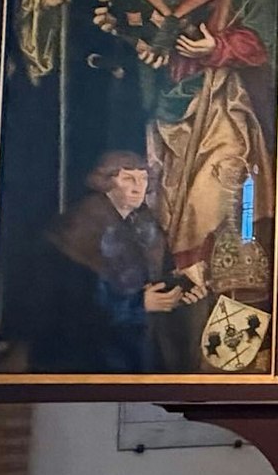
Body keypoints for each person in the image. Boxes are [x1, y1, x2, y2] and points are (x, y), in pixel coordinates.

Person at [0, 0, 156, 358]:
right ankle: (33, 315)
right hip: (50, 103)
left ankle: (103, 311)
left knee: (105, 206)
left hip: (111, 103)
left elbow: (146, 28)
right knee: (42, 199)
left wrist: (128, 30)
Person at [144, 0, 278, 310]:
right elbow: (162, 38)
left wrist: (218, 47)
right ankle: (189, 283)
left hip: (224, 98)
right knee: (174, 198)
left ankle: (231, 281)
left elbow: (270, 35)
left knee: (224, 180)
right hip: (178, 104)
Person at [34, 150, 201, 373]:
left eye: (143, 178)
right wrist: (138, 306)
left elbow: (158, 276)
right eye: (128, 178)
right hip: (91, 356)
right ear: (106, 182)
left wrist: (181, 290)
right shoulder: (81, 226)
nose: (137, 186)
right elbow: (70, 305)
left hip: (137, 347)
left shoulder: (145, 222)